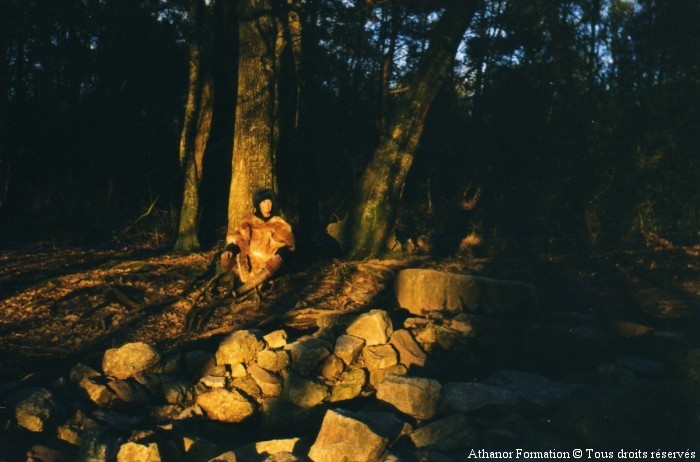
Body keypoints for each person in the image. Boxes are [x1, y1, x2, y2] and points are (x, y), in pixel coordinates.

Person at [220, 188, 295, 298]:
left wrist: (281, 254)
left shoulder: (279, 223)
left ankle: (246, 288)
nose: (267, 205)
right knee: (225, 259)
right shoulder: (249, 221)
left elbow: (288, 244)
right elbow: (238, 237)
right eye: (264, 202)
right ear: (258, 204)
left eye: (269, 201)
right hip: (248, 265)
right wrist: (230, 250)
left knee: (277, 262)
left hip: (269, 266)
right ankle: (251, 282)